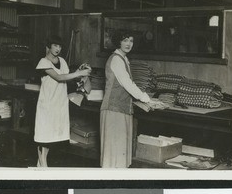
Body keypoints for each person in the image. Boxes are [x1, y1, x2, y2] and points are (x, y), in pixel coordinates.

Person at [34, 35, 91, 167]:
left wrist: (79, 71)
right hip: (47, 103)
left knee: (51, 136)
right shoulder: (43, 62)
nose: (57, 49)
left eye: (59, 46)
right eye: (55, 45)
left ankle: (40, 164)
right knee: (43, 135)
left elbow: (66, 77)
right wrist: (78, 74)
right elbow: (59, 77)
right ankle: (43, 167)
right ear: (48, 46)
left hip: (59, 103)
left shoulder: (62, 61)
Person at [100, 30, 151, 168]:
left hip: (121, 109)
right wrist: (144, 98)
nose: (129, 44)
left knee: (119, 150)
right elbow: (127, 83)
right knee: (114, 152)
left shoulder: (124, 59)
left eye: (131, 41)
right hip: (113, 109)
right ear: (118, 42)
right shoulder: (116, 59)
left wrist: (144, 98)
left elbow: (129, 83)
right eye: (125, 40)